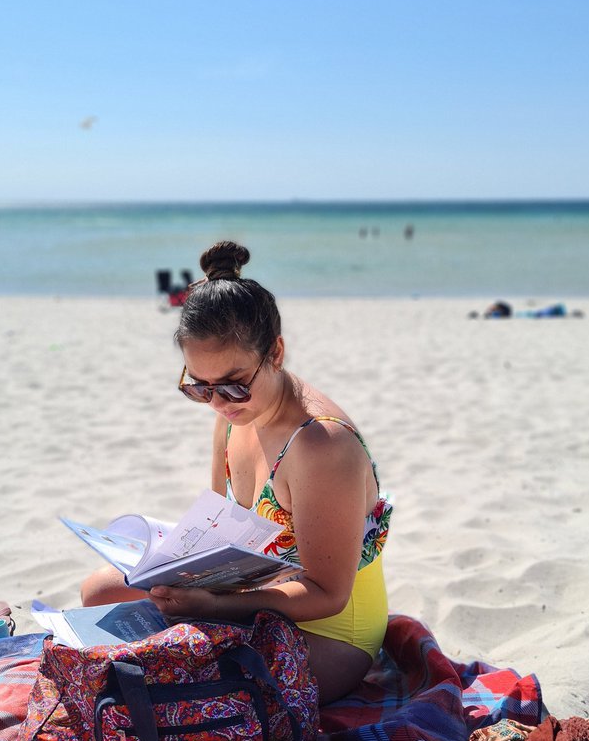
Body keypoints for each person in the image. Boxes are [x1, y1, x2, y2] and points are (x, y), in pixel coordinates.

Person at [81, 240, 393, 704]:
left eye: (233, 384)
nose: (219, 403)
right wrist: (182, 575)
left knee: (158, 679)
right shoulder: (232, 412)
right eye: (199, 387)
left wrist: (216, 607)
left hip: (330, 629)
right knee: (98, 593)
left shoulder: (321, 446)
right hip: (254, 591)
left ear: (276, 353)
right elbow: (221, 531)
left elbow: (328, 593)